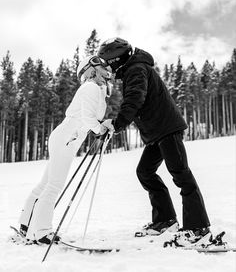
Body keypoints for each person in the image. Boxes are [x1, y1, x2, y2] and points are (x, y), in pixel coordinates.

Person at [99, 37, 211, 246]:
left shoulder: (136, 69)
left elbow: (135, 99)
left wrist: (118, 123)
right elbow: (137, 101)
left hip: (167, 129)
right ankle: (165, 221)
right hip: (156, 133)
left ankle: (198, 228)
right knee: (145, 172)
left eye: (109, 63)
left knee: (181, 173)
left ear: (117, 60)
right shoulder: (133, 69)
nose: (109, 68)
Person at [18, 55, 111, 244]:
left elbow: (89, 117)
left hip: (66, 137)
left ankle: (26, 226)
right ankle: (41, 232)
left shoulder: (95, 89)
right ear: (90, 70)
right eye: (102, 69)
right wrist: (100, 128)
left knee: (46, 184)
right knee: (54, 186)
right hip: (67, 138)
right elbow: (87, 119)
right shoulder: (91, 87)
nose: (107, 73)